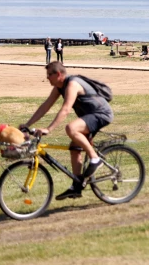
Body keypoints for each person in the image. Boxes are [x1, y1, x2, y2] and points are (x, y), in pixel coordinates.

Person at [20, 61, 113, 200]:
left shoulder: (72, 84)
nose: (47, 78)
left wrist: (48, 129)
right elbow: (45, 106)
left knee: (71, 128)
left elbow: (66, 109)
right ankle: (76, 186)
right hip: (88, 117)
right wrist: (27, 124)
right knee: (75, 149)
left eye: (49, 75)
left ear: (58, 74)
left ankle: (95, 158)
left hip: (101, 114)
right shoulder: (59, 87)